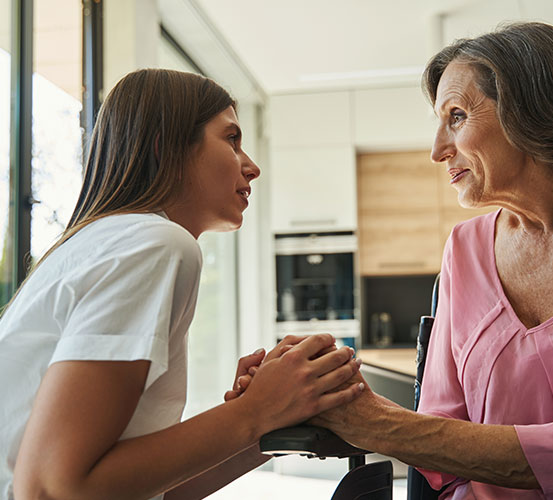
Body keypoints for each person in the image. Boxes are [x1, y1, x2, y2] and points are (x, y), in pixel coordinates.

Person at [308, 22, 553, 499]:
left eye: (456, 116)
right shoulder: (465, 247)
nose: (436, 151)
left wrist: (373, 423)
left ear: (532, 111)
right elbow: (439, 432)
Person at [0, 68, 364, 500]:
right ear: (167, 147)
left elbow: (149, 492)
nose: (252, 166)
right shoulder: (156, 243)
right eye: (231, 139)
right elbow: (51, 489)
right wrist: (253, 410)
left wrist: (268, 417)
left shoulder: (104, 243)